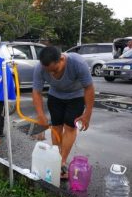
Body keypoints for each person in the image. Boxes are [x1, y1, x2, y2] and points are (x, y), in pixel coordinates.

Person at [32, 46, 95, 179]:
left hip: (76, 97)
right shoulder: (40, 68)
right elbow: (36, 91)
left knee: (70, 127)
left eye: (54, 70)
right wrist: (40, 115)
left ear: (61, 59)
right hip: (55, 96)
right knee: (56, 127)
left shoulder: (78, 63)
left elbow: (89, 88)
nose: (53, 74)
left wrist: (87, 114)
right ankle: (56, 156)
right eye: (49, 72)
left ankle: (62, 162)